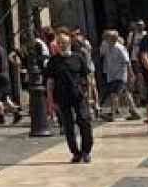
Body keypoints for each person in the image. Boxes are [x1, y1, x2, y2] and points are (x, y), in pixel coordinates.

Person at [46, 28, 94, 163]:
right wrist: (50, 101)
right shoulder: (53, 61)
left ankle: (86, 151)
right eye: (59, 43)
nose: (62, 45)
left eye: (65, 42)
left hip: (79, 96)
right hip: (62, 98)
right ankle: (75, 152)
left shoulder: (78, 57)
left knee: (84, 122)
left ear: (70, 43)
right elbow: (50, 82)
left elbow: (87, 78)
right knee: (68, 126)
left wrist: (90, 97)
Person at [99, 29, 139, 121]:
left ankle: (112, 114)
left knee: (114, 94)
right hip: (111, 74)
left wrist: (131, 74)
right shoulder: (106, 46)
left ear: (113, 38)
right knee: (125, 93)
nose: (105, 39)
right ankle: (134, 111)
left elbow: (127, 61)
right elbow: (101, 54)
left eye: (107, 37)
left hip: (120, 74)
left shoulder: (119, 48)